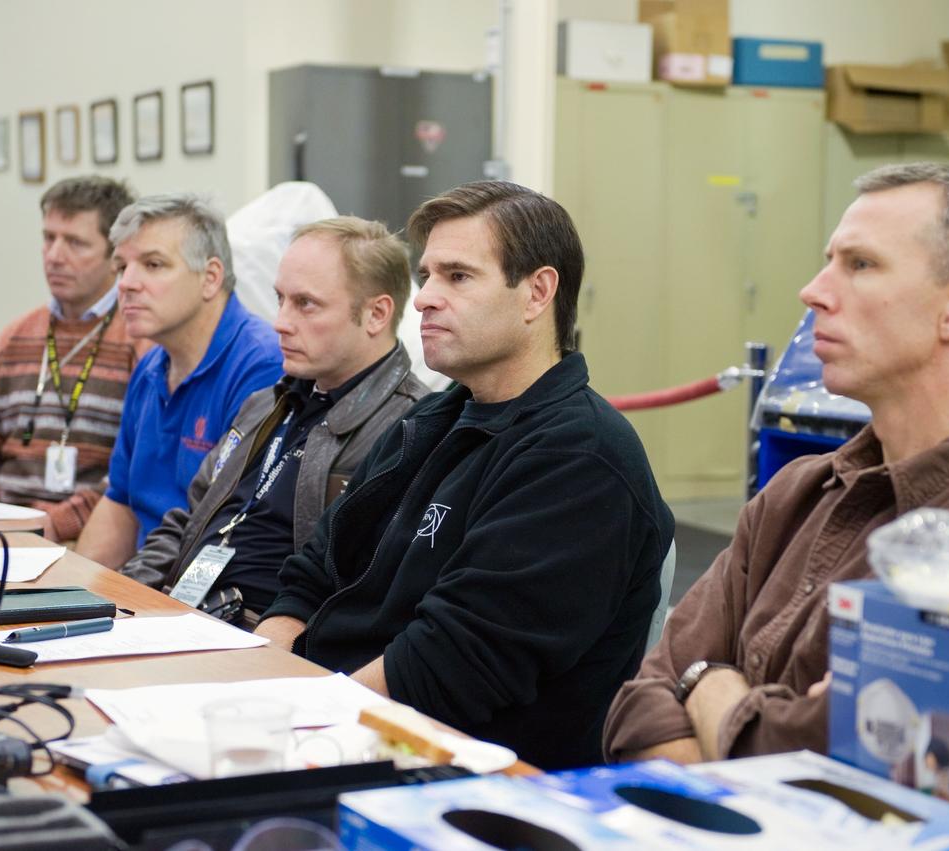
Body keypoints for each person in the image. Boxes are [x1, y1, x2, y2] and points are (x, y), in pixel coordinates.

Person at [603, 163, 949, 764]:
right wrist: (750, 714)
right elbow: (635, 709)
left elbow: (866, 768)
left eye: (861, 265)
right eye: (831, 261)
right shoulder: (795, 496)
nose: (815, 291)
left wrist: (707, 684)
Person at [256, 181, 674, 770]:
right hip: (334, 720)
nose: (424, 298)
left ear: (537, 293)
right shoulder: (437, 415)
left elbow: (446, 668)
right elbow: (314, 572)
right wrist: (258, 679)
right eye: (426, 275)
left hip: (448, 768)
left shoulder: (580, 458)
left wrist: (293, 719)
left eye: (457, 276)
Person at [120, 216, 428, 626]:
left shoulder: (411, 426)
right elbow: (188, 519)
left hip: (269, 635)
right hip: (184, 614)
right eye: (280, 299)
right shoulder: (267, 404)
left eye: (305, 304)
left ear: (376, 314)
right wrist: (121, 597)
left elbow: (366, 589)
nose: (280, 321)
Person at [76, 194, 284, 570]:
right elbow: (121, 503)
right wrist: (69, 593)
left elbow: (227, 531)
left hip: (198, 592)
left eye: (153, 264)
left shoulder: (262, 366)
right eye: (122, 267)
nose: (127, 284)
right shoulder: (151, 365)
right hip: (144, 580)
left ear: (210, 278)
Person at [0, 176, 144, 540]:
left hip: (83, 537)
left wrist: (54, 525)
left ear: (115, 256)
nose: (54, 256)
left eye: (75, 243)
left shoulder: (139, 341)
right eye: (49, 238)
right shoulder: (17, 335)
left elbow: (135, 470)